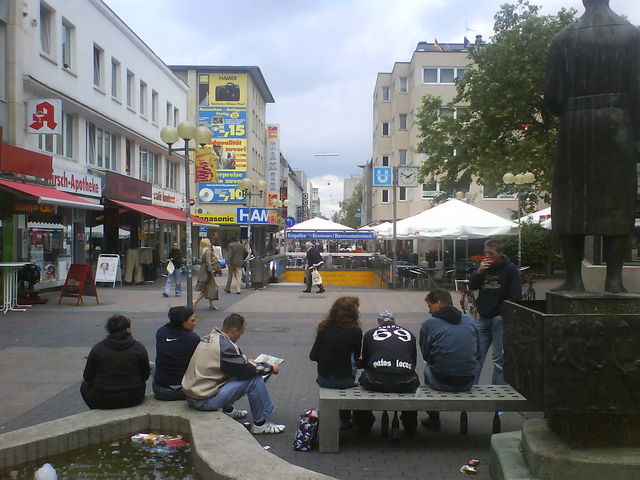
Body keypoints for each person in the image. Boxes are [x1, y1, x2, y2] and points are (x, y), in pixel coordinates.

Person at [544, 0, 640, 293]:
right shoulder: (632, 35)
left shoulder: (564, 38)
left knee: (571, 202)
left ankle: (574, 278)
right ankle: (614, 279)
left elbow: (553, 97)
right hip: (619, 123)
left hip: (577, 124)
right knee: (618, 201)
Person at [182, 313, 285, 435]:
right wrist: (270, 367)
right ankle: (260, 424)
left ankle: (228, 410)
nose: (240, 337)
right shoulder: (225, 346)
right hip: (203, 401)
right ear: (235, 330)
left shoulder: (211, 338)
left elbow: (231, 365)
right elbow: (245, 370)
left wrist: (248, 363)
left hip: (193, 396)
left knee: (233, 374)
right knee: (254, 379)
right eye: (240, 333)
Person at [419, 289, 481, 430]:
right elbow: (479, 352)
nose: (429, 311)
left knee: (426, 363)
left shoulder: (429, 324)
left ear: (439, 303)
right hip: (468, 381)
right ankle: (463, 419)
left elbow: (426, 355)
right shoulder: (469, 320)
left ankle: (433, 418)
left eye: (430, 306)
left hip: (441, 382)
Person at [468, 239, 521, 385]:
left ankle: (498, 397)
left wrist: (503, 315)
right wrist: (479, 272)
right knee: (477, 356)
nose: (487, 256)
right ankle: (471, 389)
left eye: (491, 253)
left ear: (500, 253)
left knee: (499, 359)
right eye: (485, 252)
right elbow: (472, 286)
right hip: (483, 317)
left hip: (499, 319)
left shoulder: (510, 269)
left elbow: (516, 296)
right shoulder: (484, 267)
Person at [359, 311, 420, 435]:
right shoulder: (409, 334)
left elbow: (365, 362)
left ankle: (364, 422)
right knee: (412, 380)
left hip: (375, 381)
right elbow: (413, 362)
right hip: (406, 382)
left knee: (362, 379)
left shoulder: (370, 333)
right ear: (395, 321)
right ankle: (410, 424)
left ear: (379, 323)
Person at [310, 296, 363, 430]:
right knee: (348, 371)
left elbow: (313, 356)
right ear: (353, 312)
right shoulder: (356, 331)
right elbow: (356, 357)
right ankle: (346, 419)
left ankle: (331, 416)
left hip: (324, 379)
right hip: (345, 381)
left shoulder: (323, 327)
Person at [80, 315, 150, 409]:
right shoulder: (138, 348)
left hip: (102, 399)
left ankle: (96, 410)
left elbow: (88, 377)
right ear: (128, 329)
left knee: (84, 386)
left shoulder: (98, 349)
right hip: (133, 397)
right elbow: (145, 375)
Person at [153, 306, 200, 401]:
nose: (195, 324)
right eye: (192, 320)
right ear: (182, 321)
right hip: (184, 390)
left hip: (160, 390)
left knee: (156, 364)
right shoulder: (193, 339)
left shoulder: (161, 332)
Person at [193, 238, 222, 310]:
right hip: (207, 272)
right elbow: (208, 261)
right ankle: (195, 301)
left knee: (209, 287)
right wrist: (210, 270)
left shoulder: (203, 251)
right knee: (206, 289)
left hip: (203, 272)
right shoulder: (208, 251)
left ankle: (211, 305)